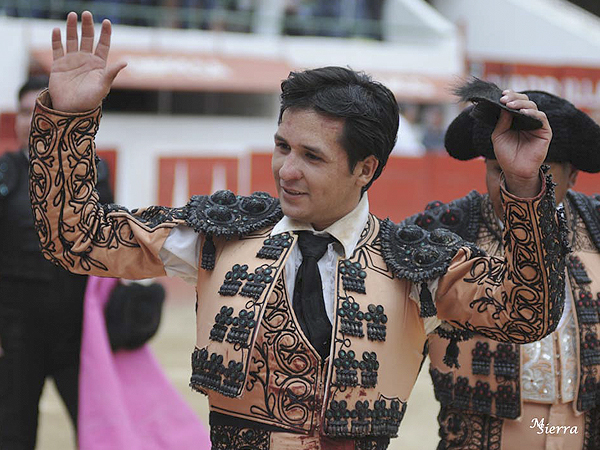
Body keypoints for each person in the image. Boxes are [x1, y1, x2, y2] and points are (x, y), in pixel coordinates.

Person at [28, 11, 568, 449]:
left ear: (366, 168)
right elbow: (75, 239)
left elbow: (529, 312)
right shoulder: (222, 233)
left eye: (312, 156)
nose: (286, 170)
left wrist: (524, 189)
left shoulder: (416, 264)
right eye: (282, 146)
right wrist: (66, 122)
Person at [405, 90, 600, 449]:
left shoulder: (596, 225)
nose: (513, 177)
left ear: (571, 176)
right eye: (498, 169)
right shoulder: (445, 231)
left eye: (538, 169)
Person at [0, 75, 113, 449]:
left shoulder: (92, 174)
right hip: (14, 337)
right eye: (22, 112)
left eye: (40, 112)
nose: (30, 121)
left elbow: (111, 251)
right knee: (12, 436)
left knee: (97, 432)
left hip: (77, 336)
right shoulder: (4, 172)